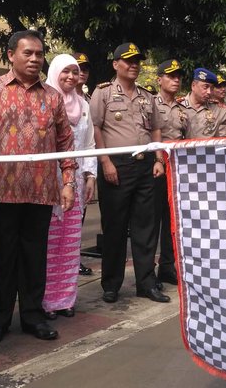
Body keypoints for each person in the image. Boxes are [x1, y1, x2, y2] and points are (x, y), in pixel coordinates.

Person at [0, 30, 76, 346]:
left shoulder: (53, 97)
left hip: (41, 192)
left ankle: (33, 316)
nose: (34, 59)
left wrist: (68, 182)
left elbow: (66, 144)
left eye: (39, 54)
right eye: (27, 53)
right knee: (1, 260)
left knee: (34, 258)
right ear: (11, 55)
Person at [90, 42, 169, 304]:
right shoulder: (102, 93)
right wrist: (106, 163)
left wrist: (158, 158)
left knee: (145, 227)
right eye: (128, 60)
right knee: (114, 227)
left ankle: (146, 282)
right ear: (115, 64)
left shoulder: (147, 96)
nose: (133, 65)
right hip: (117, 165)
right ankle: (111, 283)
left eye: (137, 60)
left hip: (146, 164)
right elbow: (96, 130)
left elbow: (156, 129)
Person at [42, 54, 96, 319]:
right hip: (47, 181)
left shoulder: (83, 105)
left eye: (75, 72)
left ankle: (66, 298)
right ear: (54, 72)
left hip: (74, 183)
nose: (71, 77)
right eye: (66, 71)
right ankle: (46, 300)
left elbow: (88, 144)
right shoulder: (43, 99)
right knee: (49, 243)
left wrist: (90, 176)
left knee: (71, 241)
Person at [153, 59, 187, 286]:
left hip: (177, 166)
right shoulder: (150, 103)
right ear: (159, 79)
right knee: (150, 220)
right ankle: (147, 272)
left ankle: (167, 266)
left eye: (178, 76)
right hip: (155, 164)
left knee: (171, 220)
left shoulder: (182, 108)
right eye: (170, 76)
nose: (175, 80)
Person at [71, 52, 93, 276]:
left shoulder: (88, 102)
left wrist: (90, 174)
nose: (81, 72)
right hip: (58, 173)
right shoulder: (55, 97)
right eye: (77, 67)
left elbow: (90, 142)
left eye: (85, 68)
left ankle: (73, 259)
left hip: (80, 173)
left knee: (78, 221)